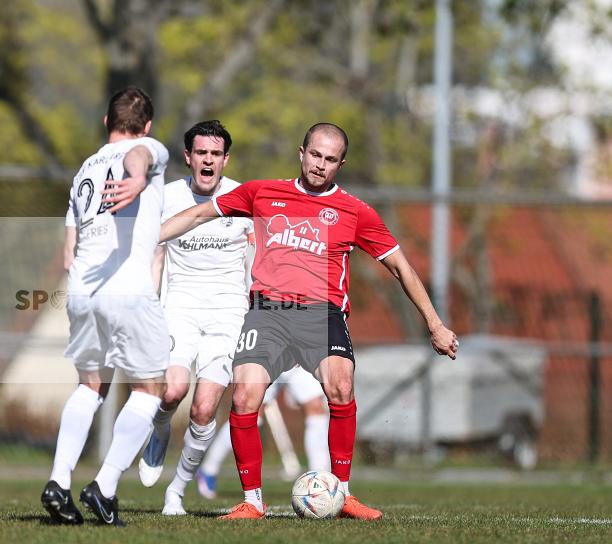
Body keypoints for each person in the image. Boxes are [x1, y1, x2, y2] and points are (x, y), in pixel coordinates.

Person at [143, 122, 458, 520]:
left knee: (340, 386)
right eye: (314, 155)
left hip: (321, 314)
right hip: (268, 312)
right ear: (301, 152)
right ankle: (252, 502)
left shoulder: (355, 211)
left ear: (340, 163)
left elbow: (400, 266)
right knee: (244, 397)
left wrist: (435, 324)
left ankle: (342, 495)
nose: (320, 165)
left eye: (330, 159)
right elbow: (199, 215)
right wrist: (147, 240)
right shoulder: (262, 192)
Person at [41, 86, 169, 527]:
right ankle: (106, 485)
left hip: (82, 289)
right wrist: (136, 179)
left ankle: (59, 481)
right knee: (150, 389)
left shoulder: (83, 172)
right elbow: (140, 158)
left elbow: (67, 250)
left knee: (90, 386)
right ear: (147, 126)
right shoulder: (146, 149)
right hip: (127, 287)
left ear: (104, 122)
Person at [135, 120, 253, 516]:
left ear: (225, 159)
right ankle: (160, 429)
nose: (208, 160)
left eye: (215, 154)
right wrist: (147, 305)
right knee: (171, 392)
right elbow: (155, 253)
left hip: (229, 314)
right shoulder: (167, 197)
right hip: (179, 308)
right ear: (188, 157)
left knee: (204, 409)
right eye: (201, 153)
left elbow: (257, 256)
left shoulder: (242, 197)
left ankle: (177, 491)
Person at [196, 365, 329, 499]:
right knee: (251, 412)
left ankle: (320, 481)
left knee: (316, 407)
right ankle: (209, 469)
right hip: (270, 352)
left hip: (298, 354)